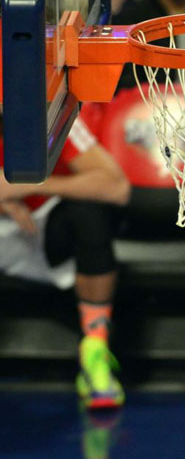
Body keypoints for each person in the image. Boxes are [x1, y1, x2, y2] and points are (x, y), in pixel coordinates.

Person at [0, 113, 131, 409]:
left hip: (40, 228)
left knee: (89, 210)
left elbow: (116, 187)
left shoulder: (47, 112)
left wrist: (30, 184)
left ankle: (95, 351)